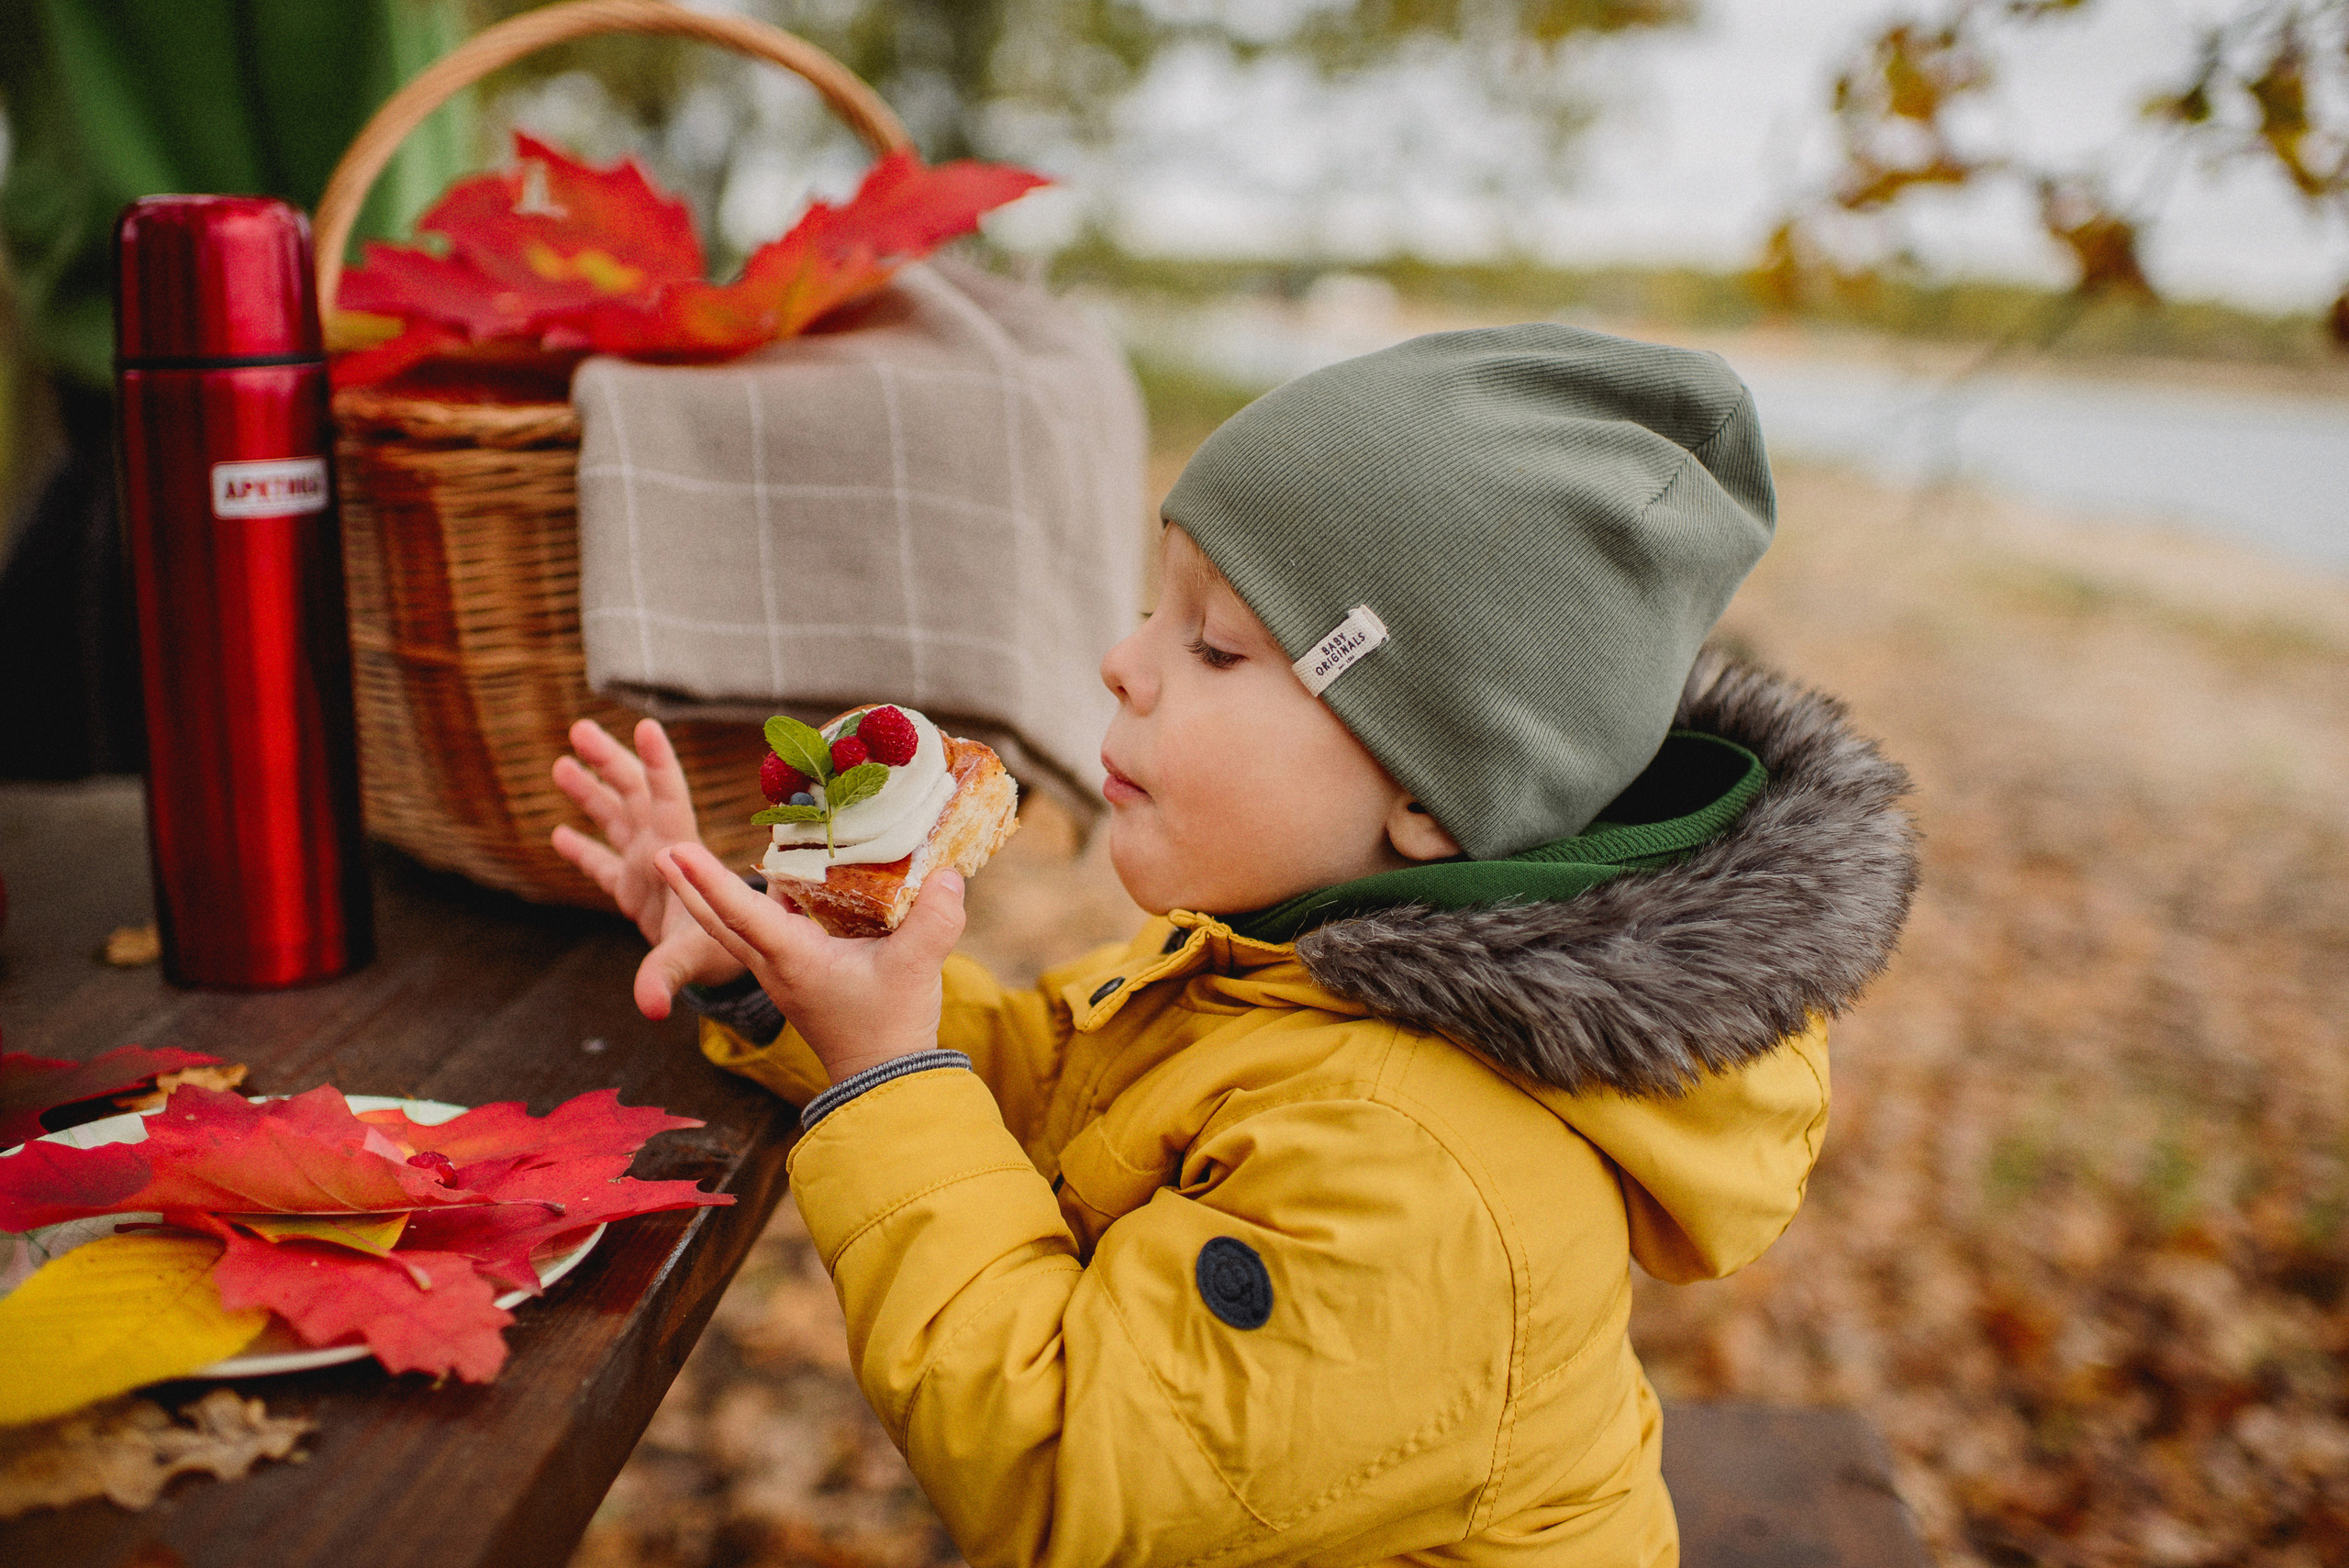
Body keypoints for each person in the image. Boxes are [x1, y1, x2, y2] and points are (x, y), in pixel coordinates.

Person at [552, 326, 1918, 1566]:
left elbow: (1065, 1472)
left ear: (1427, 797)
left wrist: (887, 1079)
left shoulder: (1417, 1164)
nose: (1121, 661)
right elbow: (1045, 1085)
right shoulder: (1278, 958)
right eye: (1159, 609)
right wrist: (779, 970)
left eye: (1211, 647)